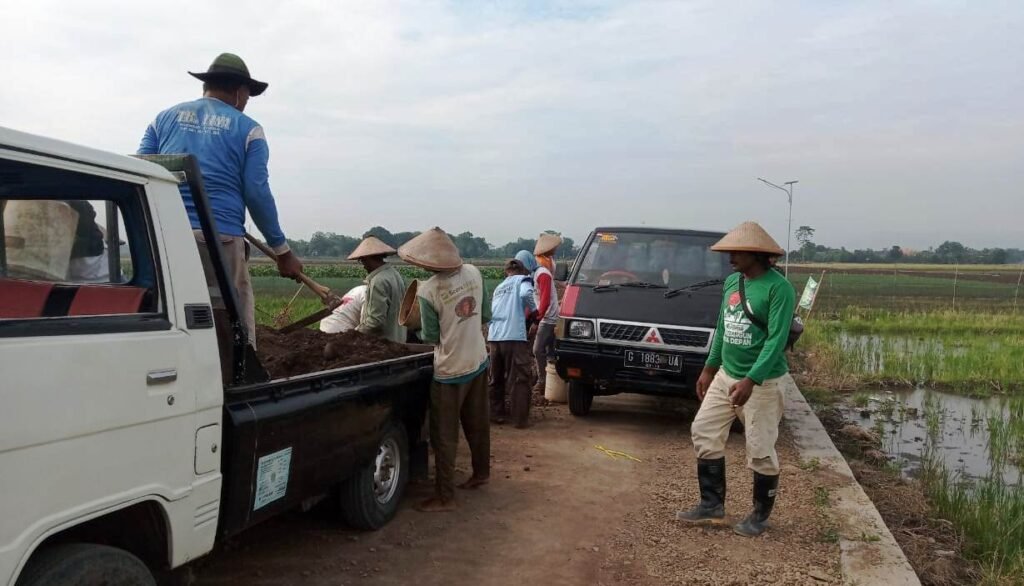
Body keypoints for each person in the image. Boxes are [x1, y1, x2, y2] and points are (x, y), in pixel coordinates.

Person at [137, 53, 302, 345]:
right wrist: (282, 251)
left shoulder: (162, 119)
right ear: (240, 92)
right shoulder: (249, 129)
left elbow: (142, 169)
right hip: (219, 238)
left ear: (206, 87)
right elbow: (256, 192)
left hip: (163, 234)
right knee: (233, 315)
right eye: (248, 97)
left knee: (171, 310)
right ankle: (242, 376)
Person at [676, 221, 796, 537]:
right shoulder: (733, 282)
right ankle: (712, 506)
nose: (730, 257)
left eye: (736, 252)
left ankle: (759, 515)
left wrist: (751, 380)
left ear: (756, 254)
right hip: (726, 375)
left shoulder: (779, 288)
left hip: (764, 383)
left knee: (760, 449)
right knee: (703, 431)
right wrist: (709, 368)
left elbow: (776, 340)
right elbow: (723, 327)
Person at [399, 227, 491, 512]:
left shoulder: (429, 290)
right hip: (477, 360)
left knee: (444, 435)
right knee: (478, 424)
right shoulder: (475, 273)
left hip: (449, 372)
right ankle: (481, 473)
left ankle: (444, 496)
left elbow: (430, 337)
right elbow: (485, 315)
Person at [487, 258, 537, 428]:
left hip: (495, 337)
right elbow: (526, 294)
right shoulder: (522, 280)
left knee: (496, 377)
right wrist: (535, 312)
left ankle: (496, 414)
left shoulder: (499, 287)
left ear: (506, 272)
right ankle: (519, 419)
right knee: (520, 378)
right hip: (514, 336)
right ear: (522, 271)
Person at [347, 236, 407, 343]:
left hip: (384, 344)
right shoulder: (395, 274)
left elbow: (375, 321)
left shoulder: (378, 281)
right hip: (399, 340)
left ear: (368, 258)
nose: (363, 265)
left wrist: (354, 334)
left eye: (362, 261)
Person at [522, 232, 561, 393]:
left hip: (548, 318)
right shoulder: (536, 273)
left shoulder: (542, 275)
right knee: (550, 352)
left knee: (537, 350)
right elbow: (532, 299)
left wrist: (536, 322)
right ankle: (554, 383)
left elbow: (544, 301)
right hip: (546, 316)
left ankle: (542, 382)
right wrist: (526, 319)